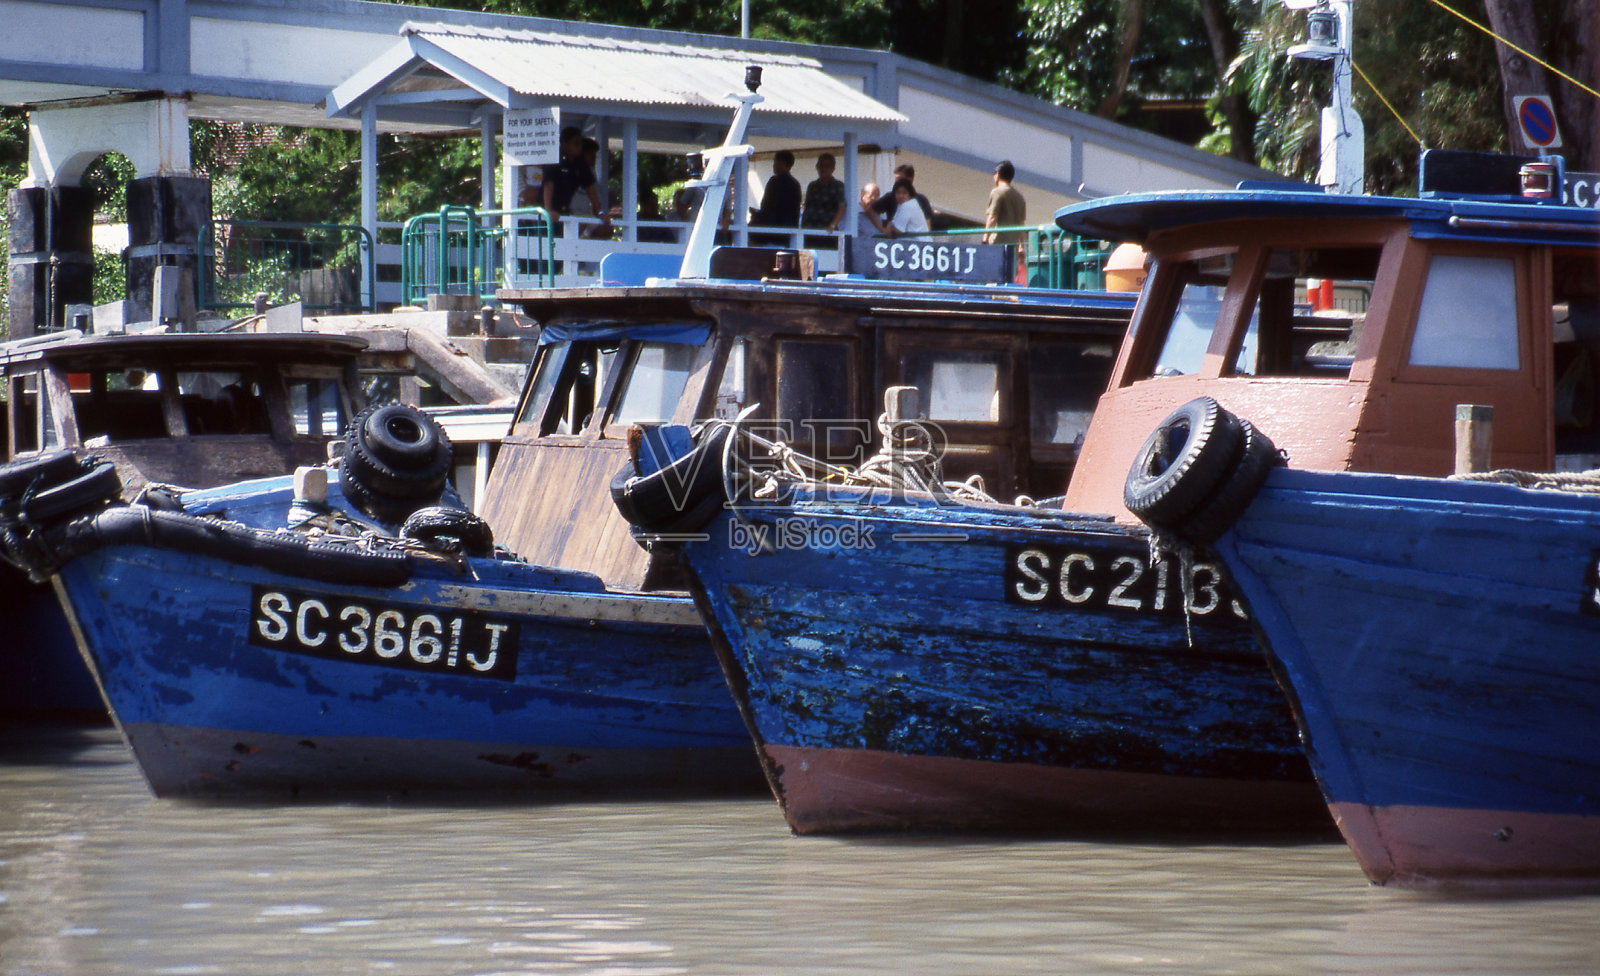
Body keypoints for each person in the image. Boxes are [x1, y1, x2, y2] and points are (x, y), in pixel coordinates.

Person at [871, 163, 933, 227]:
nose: (897, 182)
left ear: (910, 179)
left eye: (899, 179)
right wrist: (881, 229)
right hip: (895, 236)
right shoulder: (890, 197)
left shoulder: (922, 199)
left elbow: (927, 223)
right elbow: (870, 210)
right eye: (896, 179)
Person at [752, 150, 802, 231]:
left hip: (773, 229)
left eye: (776, 162)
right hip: (789, 230)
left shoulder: (774, 181)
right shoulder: (796, 184)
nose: (774, 165)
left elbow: (766, 206)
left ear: (783, 163)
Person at [801, 153, 848, 237]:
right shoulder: (812, 186)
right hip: (809, 231)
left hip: (828, 233)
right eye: (821, 165)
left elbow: (842, 208)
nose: (823, 169)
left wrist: (832, 226)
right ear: (817, 167)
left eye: (827, 166)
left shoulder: (838, 186)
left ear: (833, 168)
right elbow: (807, 208)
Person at [983, 159, 1027, 245]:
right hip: (1013, 245)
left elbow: (992, 217)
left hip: (997, 242)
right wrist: (1021, 246)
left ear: (998, 175)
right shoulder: (1020, 197)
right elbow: (1022, 224)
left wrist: (985, 238)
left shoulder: (997, 192)